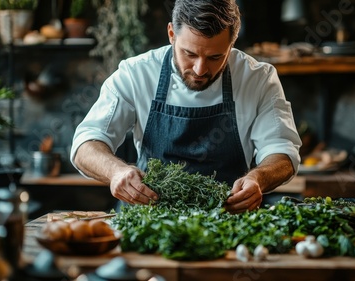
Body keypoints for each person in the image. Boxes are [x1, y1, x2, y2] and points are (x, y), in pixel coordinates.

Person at [70, 0, 301, 214]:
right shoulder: (136, 74)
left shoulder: (257, 78)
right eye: (189, 54)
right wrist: (115, 172)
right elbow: (85, 144)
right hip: (148, 219)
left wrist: (257, 179)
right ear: (172, 34)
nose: (200, 70)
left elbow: (282, 152)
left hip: (227, 221)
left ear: (232, 44)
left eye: (215, 57)